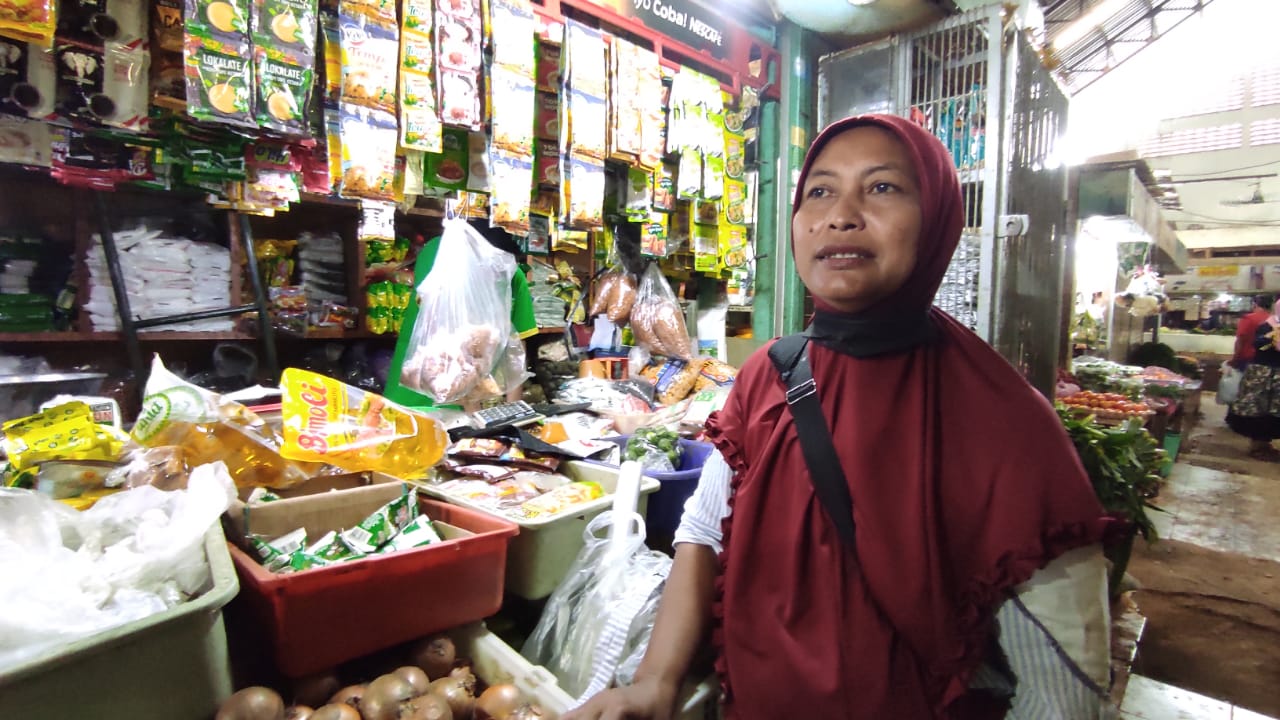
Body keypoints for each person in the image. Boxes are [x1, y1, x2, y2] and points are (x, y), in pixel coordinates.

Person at [566, 115, 1115, 720]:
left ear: (936, 217)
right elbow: (703, 532)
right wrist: (655, 682)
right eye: (820, 191)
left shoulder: (1003, 421)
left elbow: (1062, 692)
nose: (841, 215)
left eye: (882, 187)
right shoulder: (770, 374)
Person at [383, 219, 538, 409]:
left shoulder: (512, 276)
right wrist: (472, 408)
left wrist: (513, 411)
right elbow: (445, 329)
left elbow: (517, 348)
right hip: (415, 395)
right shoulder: (436, 253)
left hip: (453, 402)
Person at [1226, 294, 1280, 461]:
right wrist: (1271, 339)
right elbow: (1258, 345)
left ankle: (1265, 444)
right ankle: (1257, 445)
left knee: (1273, 412)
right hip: (1262, 375)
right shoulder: (1266, 326)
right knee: (1258, 410)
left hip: (1275, 376)